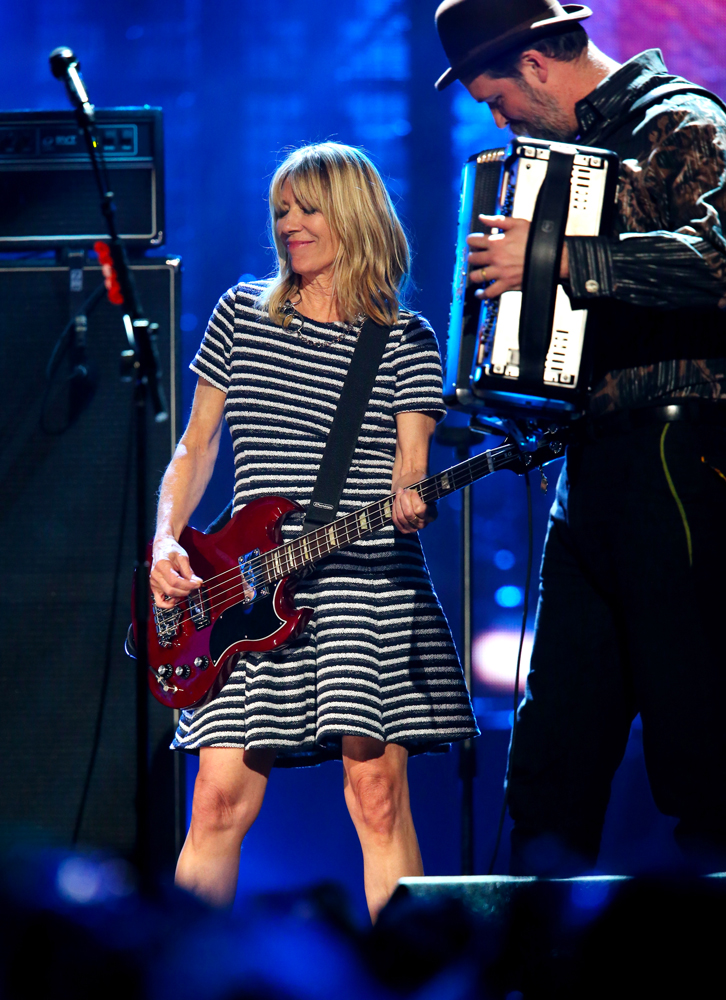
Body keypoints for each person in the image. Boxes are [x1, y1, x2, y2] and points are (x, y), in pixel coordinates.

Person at [150, 142, 479, 919]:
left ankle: (408, 978)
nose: (290, 225)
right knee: (217, 801)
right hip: (246, 587)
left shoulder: (405, 338)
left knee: (374, 796)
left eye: (307, 207)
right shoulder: (240, 314)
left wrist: (414, 502)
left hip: (365, 586)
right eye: (281, 212)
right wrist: (167, 539)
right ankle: (180, 974)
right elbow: (195, 447)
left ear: (355, 213)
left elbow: (412, 470)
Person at [435, 0, 726, 875]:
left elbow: (718, 259)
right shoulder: (555, 164)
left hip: (683, 453)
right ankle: (535, 960)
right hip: (590, 462)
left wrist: (562, 257)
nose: (500, 121)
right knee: (556, 741)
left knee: (699, 726)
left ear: (533, 64)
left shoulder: (680, 120)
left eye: (498, 99)